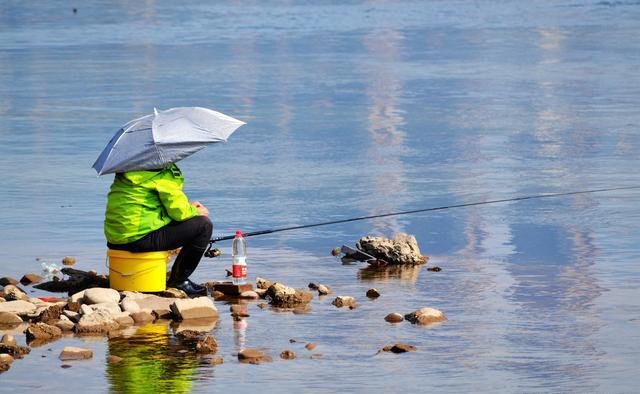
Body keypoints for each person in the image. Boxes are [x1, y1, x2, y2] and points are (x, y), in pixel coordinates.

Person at [104, 163, 212, 296]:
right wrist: (196, 211)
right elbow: (179, 213)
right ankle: (179, 281)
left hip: (116, 240)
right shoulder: (162, 174)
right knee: (203, 225)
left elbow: (144, 207)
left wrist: (188, 207)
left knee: (191, 219)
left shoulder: (126, 171)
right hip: (139, 239)